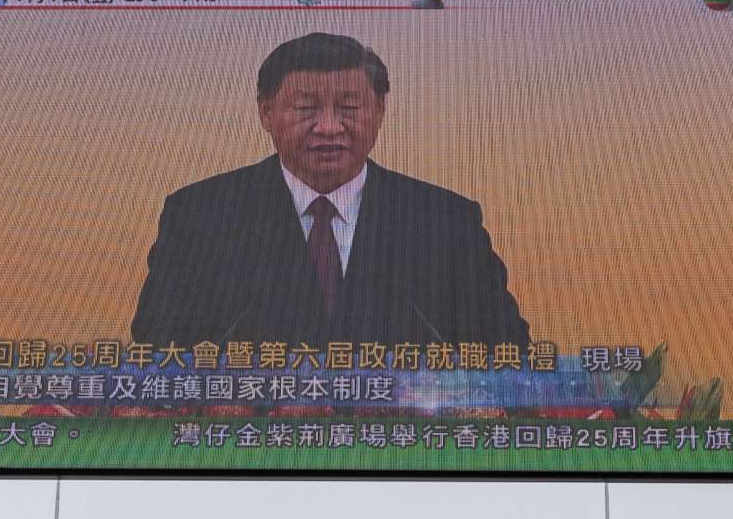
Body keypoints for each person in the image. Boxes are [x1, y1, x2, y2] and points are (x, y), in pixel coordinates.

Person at [129, 33, 531, 352]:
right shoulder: (201, 215)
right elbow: (157, 348)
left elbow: (506, 349)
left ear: (379, 111)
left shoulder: (443, 220)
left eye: (349, 108)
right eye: (306, 108)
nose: (328, 127)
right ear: (265, 112)